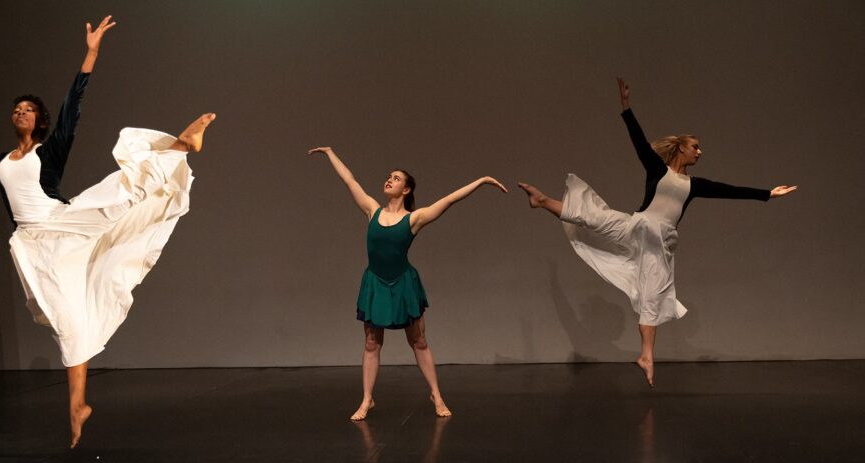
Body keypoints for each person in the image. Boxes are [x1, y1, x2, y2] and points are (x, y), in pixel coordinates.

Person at [0, 16, 216, 447]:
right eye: (16, 109)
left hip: (63, 221)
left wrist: (92, 51)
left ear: (38, 120)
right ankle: (77, 405)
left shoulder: (51, 149)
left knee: (119, 195)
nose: (20, 112)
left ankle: (179, 145)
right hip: (36, 246)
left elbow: (72, 105)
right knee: (68, 319)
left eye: (28, 109)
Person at [519, 78, 796, 387]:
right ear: (680, 148)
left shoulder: (695, 185)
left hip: (659, 243)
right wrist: (626, 107)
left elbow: (730, 191)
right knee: (593, 216)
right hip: (639, 226)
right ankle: (542, 201)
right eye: (695, 147)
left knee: (655, 292)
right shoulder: (658, 170)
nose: (700, 152)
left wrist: (767, 194)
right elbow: (639, 142)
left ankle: (647, 355)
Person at [308, 147, 506, 419]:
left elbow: (448, 200)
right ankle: (367, 400)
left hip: (402, 283)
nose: (389, 180)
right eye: (388, 176)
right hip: (376, 283)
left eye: (396, 178)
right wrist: (330, 153)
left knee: (419, 341)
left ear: (406, 190)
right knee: (370, 343)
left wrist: (481, 181)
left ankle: (436, 394)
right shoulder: (371, 210)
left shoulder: (414, 219)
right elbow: (349, 180)